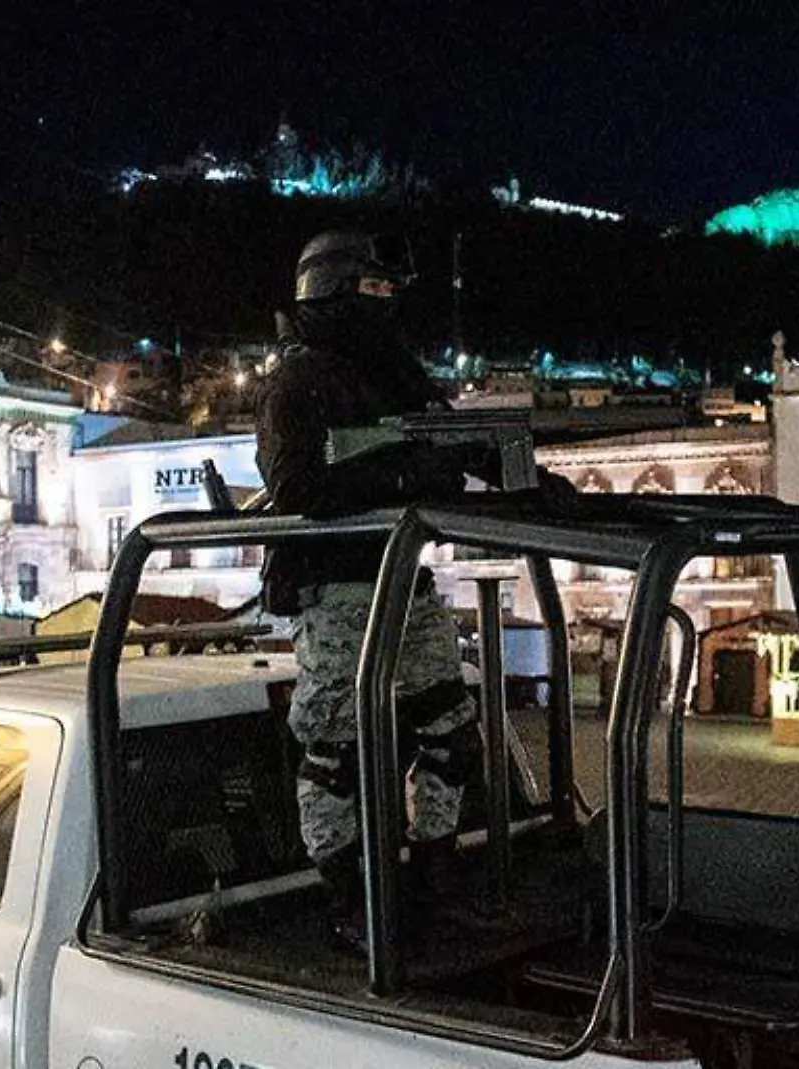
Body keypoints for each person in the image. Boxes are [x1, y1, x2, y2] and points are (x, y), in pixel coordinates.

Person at [255, 230, 490, 934]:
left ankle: (434, 875)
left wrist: (521, 476)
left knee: (452, 729)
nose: (386, 304)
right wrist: (400, 473)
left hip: (401, 581)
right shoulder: (297, 382)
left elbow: (458, 443)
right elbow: (294, 483)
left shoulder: (398, 374)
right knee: (334, 754)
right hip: (335, 591)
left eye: (390, 292)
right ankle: (350, 899)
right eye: (374, 289)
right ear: (332, 290)